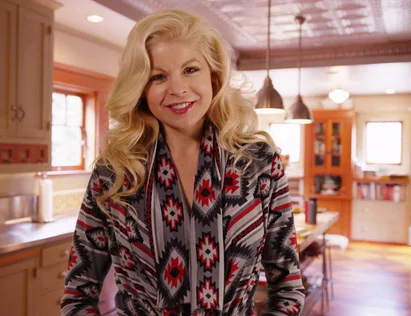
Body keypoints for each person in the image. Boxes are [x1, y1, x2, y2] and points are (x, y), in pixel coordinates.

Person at [61, 8, 305, 316]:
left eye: (190, 70)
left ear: (213, 76)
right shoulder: (115, 172)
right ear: (141, 89)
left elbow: (288, 288)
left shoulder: (258, 164)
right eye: (158, 76)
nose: (177, 89)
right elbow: (77, 294)